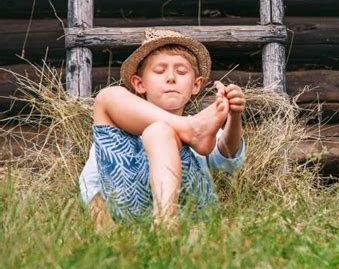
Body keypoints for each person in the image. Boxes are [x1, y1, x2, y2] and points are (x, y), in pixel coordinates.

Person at [79, 29, 246, 227]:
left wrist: (234, 117)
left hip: (192, 211)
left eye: (182, 72)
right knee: (106, 97)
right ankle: (185, 130)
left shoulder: (204, 128)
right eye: (159, 71)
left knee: (158, 132)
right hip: (127, 204)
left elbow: (228, 164)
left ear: (196, 85)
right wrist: (106, 233)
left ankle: (165, 223)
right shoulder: (123, 133)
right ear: (139, 84)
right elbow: (91, 183)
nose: (171, 78)